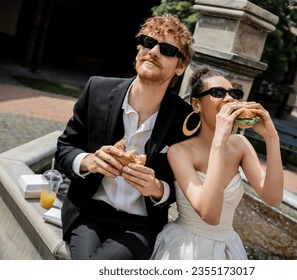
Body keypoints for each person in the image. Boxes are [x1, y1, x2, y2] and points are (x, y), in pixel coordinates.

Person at [55, 14, 195, 260]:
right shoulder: (97, 89)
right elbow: (65, 147)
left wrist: (156, 188)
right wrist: (88, 161)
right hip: (88, 212)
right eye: (148, 42)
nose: (153, 51)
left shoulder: (186, 119)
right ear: (139, 48)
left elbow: (185, 187)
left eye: (167, 49)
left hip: (140, 224)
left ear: (180, 66)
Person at [150, 65, 284, 260]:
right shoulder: (180, 152)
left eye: (235, 94)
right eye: (218, 93)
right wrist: (219, 141)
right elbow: (210, 215)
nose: (229, 99)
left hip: (228, 249)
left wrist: (272, 138)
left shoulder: (240, 145)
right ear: (196, 105)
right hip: (186, 250)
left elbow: (273, 197)